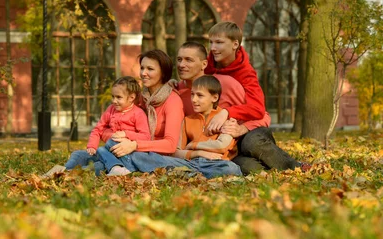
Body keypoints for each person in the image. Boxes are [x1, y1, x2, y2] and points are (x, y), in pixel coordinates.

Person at [203, 22, 306, 173]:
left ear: (235, 44)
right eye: (211, 42)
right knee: (249, 168)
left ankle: (295, 167)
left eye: (219, 42)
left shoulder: (246, 73)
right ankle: (269, 166)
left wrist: (227, 112)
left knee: (251, 143)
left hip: (252, 131)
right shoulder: (207, 67)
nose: (213, 48)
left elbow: (258, 109)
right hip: (227, 139)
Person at [128, 76, 242, 178]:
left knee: (232, 169)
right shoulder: (188, 120)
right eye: (192, 94)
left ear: (215, 97)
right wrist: (197, 153)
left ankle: (186, 174)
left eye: (200, 95)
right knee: (142, 157)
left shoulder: (224, 118)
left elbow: (222, 146)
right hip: (190, 162)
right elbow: (176, 152)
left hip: (216, 163)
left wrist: (193, 145)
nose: (194, 99)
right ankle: (190, 174)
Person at [42, 76, 151, 178]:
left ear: (131, 97)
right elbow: (98, 129)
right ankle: (64, 169)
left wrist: (126, 134)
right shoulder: (111, 109)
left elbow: (145, 137)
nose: (114, 101)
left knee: (99, 165)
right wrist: (92, 146)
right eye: (113, 97)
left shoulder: (138, 114)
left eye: (118, 97)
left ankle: (70, 174)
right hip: (106, 152)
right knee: (78, 154)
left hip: (123, 155)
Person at [104, 49, 184, 176]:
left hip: (157, 157)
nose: (143, 73)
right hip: (130, 150)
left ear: (163, 73)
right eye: (142, 68)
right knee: (86, 154)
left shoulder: (173, 100)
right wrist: (116, 137)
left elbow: (170, 145)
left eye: (150, 69)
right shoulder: (139, 98)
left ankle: (116, 166)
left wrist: (134, 145)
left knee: (106, 159)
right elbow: (107, 126)